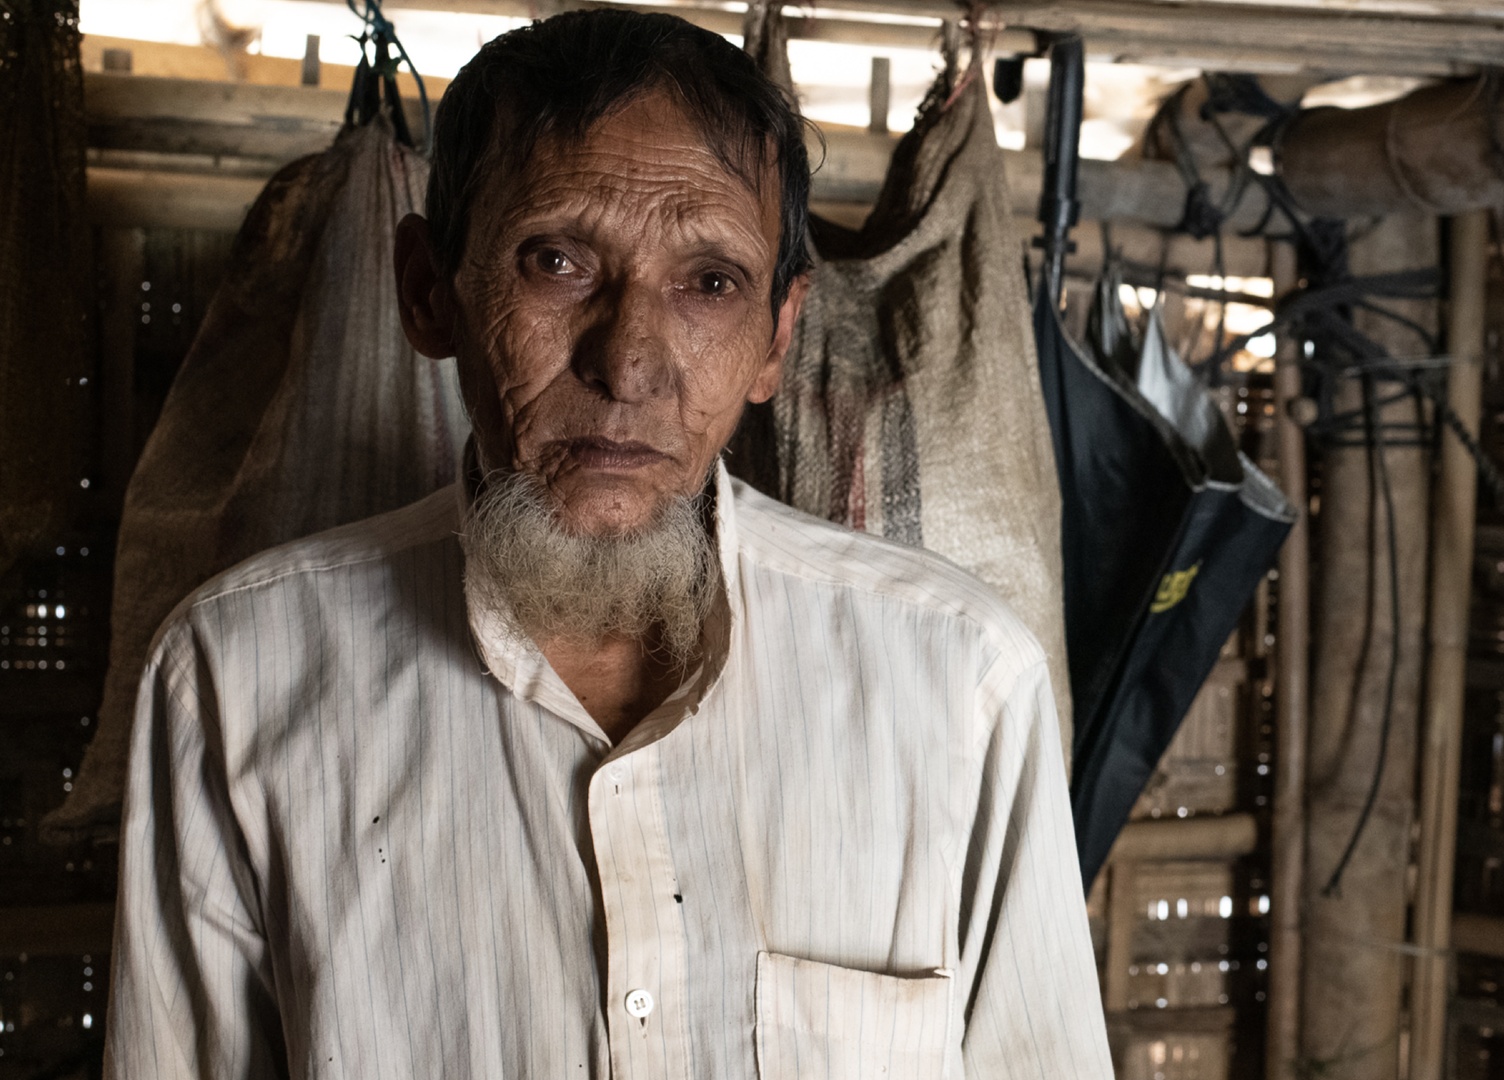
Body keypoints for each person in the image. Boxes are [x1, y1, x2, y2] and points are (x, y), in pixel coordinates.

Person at [104, 11, 1110, 1078]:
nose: (628, 364)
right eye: (558, 262)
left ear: (776, 337)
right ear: (429, 292)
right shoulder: (236, 679)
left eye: (710, 283)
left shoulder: (959, 684)